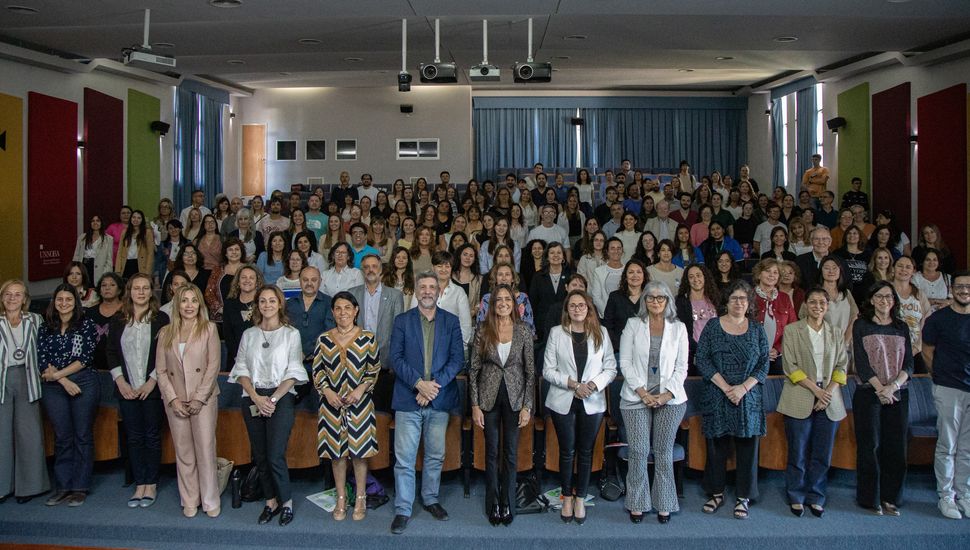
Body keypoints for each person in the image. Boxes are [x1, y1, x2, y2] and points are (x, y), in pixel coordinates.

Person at [388, 272, 465, 535]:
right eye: (423, 287)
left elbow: (457, 360)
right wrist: (419, 384)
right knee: (404, 459)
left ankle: (431, 499)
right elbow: (395, 359)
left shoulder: (451, 321)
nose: (428, 291)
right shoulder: (402, 321)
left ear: (439, 291)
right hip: (408, 399)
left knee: (435, 455)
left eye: (433, 287)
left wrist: (432, 388)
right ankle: (403, 508)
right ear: (416, 291)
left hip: (439, 398)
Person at [229, 285, 307, 526]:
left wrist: (271, 399)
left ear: (280, 303)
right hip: (252, 397)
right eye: (262, 301)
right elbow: (240, 368)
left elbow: (294, 370)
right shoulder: (249, 334)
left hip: (280, 397)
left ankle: (286, 503)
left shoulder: (291, 333)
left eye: (272, 301)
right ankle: (270, 501)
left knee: (275, 455)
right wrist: (255, 397)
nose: (267, 305)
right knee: (260, 456)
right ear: (257, 305)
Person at [696, 280, 769, 520]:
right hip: (718, 393)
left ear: (749, 303)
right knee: (717, 447)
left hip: (747, 397)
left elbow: (763, 364)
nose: (739, 303)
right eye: (735, 298)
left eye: (743, 299)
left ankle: (743, 496)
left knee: (747, 448)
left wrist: (742, 389)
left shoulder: (757, 329)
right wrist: (727, 387)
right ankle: (716, 492)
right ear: (726, 302)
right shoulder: (713, 326)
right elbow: (702, 359)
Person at [543, 290, 615, 524]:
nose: (577, 309)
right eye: (572, 305)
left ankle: (581, 498)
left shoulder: (601, 333)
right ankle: (566, 497)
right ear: (567, 310)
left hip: (592, 400)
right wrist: (574, 385)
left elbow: (611, 368)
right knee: (567, 451)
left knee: (586, 452)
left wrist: (592, 385)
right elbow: (548, 370)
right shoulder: (556, 333)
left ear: (588, 308)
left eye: (581, 305)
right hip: (563, 399)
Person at [619, 281, 689, 524]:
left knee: (663, 451)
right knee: (638, 451)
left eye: (661, 298)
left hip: (671, 400)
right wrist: (643, 393)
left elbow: (682, 367)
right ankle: (637, 502)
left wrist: (666, 395)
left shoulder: (678, 328)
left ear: (668, 301)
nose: (655, 301)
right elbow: (625, 362)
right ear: (644, 301)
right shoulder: (633, 325)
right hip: (636, 397)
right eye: (650, 298)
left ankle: (665, 503)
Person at [777, 286, 849, 518]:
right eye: (813, 302)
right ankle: (796, 495)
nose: (818, 306)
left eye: (822, 303)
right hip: (801, 393)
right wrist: (816, 391)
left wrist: (826, 392)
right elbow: (790, 367)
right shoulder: (792, 330)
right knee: (797, 452)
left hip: (830, 398)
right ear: (805, 304)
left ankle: (816, 495)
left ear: (827, 307)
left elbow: (842, 366)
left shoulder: (836, 332)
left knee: (822, 453)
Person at [313, 290, 382, 522]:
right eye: (338, 308)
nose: (343, 312)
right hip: (331, 405)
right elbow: (317, 370)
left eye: (347, 308)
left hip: (360, 404)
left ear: (356, 311)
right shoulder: (323, 339)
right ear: (332, 312)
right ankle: (341, 498)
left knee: (360, 455)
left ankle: (360, 498)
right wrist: (327, 391)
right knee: (337, 455)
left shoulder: (368, 338)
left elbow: (373, 369)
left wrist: (360, 389)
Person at [469, 285, 535, 525]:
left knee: (510, 452)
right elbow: (474, 369)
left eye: (507, 299)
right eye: (499, 300)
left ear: (514, 304)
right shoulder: (483, 330)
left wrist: (528, 406)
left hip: (516, 399)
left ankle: (507, 502)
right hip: (488, 398)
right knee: (492, 452)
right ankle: (493, 503)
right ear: (492, 304)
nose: (503, 303)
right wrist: (475, 405)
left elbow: (530, 371)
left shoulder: (524, 330)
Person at [155, 285, 221, 518]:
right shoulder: (165, 332)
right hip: (176, 400)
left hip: (202, 399)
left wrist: (199, 398)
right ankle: (190, 499)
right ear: (177, 305)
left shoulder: (209, 329)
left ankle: (210, 499)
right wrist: (172, 399)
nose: (189, 305)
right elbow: (161, 371)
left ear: (200, 304)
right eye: (184, 301)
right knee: (183, 452)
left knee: (205, 449)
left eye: (194, 300)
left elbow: (213, 367)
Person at [105, 273, 169, 508]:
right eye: (136, 288)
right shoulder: (118, 319)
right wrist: (120, 382)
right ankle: (139, 482)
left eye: (145, 288)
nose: (141, 292)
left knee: (152, 436)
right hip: (126, 387)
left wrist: (151, 381)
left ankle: (151, 483)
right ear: (129, 292)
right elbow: (111, 352)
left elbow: (165, 353)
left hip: (151, 387)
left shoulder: (161, 318)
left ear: (151, 292)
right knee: (133, 436)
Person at [852, 281, 913, 516]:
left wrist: (893, 387)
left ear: (894, 301)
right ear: (871, 300)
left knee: (896, 447)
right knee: (871, 446)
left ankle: (891, 498)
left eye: (888, 297)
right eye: (879, 296)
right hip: (869, 393)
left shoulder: (901, 327)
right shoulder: (861, 325)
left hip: (898, 394)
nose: (884, 301)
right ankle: (871, 499)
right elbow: (861, 362)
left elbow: (908, 362)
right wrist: (880, 388)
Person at [38, 284, 99, 507]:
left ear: (76, 302)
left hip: (83, 382)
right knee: (62, 436)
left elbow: (85, 357)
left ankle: (80, 487)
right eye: (60, 299)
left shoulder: (86, 325)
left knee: (82, 434)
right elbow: (42, 360)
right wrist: (62, 381)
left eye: (68, 299)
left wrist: (60, 376)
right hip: (55, 387)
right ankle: (63, 486)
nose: (63, 303)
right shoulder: (46, 327)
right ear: (54, 302)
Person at [922, 271, 970, 518]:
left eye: (968, 287)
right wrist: (938, 377)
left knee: (967, 447)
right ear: (952, 289)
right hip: (949, 387)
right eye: (960, 287)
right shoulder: (938, 320)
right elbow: (927, 351)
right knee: (948, 445)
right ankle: (946, 496)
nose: (964, 291)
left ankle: (965, 494)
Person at [0, 280, 50, 503]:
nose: (12, 298)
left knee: (29, 434)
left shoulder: (35, 320)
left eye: (17, 294)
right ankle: (3, 487)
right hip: (2, 379)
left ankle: (29, 487)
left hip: (28, 379)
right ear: (2, 298)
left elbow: (43, 349)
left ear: (25, 298)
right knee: (1, 435)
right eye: (8, 294)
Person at [349, 255, 405, 412]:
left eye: (374, 266)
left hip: (385, 362)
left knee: (381, 412)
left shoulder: (395, 295)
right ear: (362, 271)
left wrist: (395, 361)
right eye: (366, 267)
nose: (370, 270)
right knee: (357, 411)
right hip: (356, 361)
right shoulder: (352, 294)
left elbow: (398, 331)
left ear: (381, 270)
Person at [753, 259, 798, 375]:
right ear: (759, 274)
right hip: (753, 353)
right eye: (768, 271)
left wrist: (778, 349)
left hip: (777, 355)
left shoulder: (784, 298)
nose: (772, 275)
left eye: (775, 272)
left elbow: (792, 328)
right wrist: (761, 350)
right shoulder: (748, 296)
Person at [675, 264, 719, 374]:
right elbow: (681, 330)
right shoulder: (681, 301)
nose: (696, 279)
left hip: (716, 353)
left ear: (705, 277)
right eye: (691, 277)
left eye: (699, 275)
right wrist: (699, 348)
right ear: (687, 280)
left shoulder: (715, 298)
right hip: (692, 354)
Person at [891, 256, 932, 373]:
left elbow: (927, 320)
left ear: (913, 271)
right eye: (900, 266)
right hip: (890, 348)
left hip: (915, 348)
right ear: (893, 269)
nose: (904, 270)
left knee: (921, 382)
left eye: (908, 267)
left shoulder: (919, 294)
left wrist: (918, 345)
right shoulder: (885, 290)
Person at [223, 265, 265, 372]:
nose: (247, 280)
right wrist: (238, 358)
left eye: (251, 278)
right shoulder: (229, 304)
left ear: (257, 282)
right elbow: (228, 334)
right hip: (235, 360)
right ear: (238, 281)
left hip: (261, 359)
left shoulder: (264, 303)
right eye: (243, 277)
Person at [529, 242, 573, 339]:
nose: (556, 255)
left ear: (563, 257)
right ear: (547, 257)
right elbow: (532, 303)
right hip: (543, 325)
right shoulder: (538, 276)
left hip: (566, 323)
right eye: (552, 253)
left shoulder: (571, 275)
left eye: (559, 252)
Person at [603, 259, 648, 351]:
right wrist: (617, 346)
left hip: (645, 350)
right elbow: (608, 325)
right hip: (619, 350)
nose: (635, 275)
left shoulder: (650, 297)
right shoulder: (614, 297)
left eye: (639, 272)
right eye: (631, 272)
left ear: (644, 276)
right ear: (625, 277)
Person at [73, 215, 114, 285]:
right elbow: (76, 255)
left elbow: (109, 260)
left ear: (101, 223)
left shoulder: (108, 239)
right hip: (83, 267)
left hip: (99, 270)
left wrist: (105, 274)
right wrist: (75, 270)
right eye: (93, 221)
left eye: (98, 221)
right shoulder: (82, 237)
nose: (95, 223)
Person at [114, 210, 155, 279]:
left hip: (140, 264)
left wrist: (147, 271)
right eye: (134, 217)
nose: (136, 219)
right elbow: (120, 251)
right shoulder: (125, 232)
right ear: (131, 219)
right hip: (126, 264)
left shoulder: (147, 232)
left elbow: (150, 253)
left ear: (142, 220)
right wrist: (118, 269)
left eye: (139, 218)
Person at [591, 238, 625, 315]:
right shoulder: (599, 271)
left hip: (626, 315)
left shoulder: (628, 270)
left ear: (622, 251)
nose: (616, 251)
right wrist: (608, 313)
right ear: (607, 251)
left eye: (619, 248)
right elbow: (596, 297)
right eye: (612, 248)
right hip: (606, 315)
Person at [795, 227, 833, 291]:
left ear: (830, 242)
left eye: (824, 239)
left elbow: (846, 284)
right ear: (811, 241)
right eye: (816, 239)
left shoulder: (839, 261)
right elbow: (796, 285)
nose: (820, 242)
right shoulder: (799, 261)